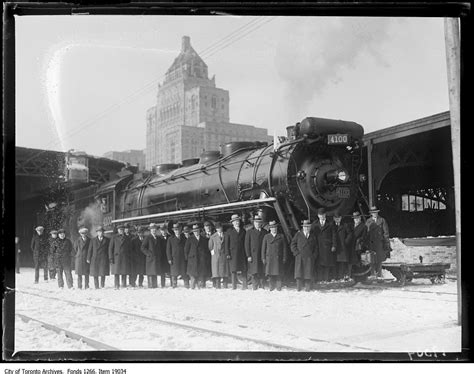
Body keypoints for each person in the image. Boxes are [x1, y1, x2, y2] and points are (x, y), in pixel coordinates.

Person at [291, 220, 318, 291]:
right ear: (303, 227)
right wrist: (296, 253)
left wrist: (313, 256)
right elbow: (293, 244)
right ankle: (299, 288)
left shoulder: (312, 235)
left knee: (308, 273)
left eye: (308, 227)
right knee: (299, 273)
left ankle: (308, 288)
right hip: (300, 257)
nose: (307, 228)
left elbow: (316, 247)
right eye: (305, 227)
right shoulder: (298, 234)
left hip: (309, 258)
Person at [311, 208, 336, 282]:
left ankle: (326, 279)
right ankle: (319, 279)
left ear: (325, 215)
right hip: (318, 246)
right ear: (318, 216)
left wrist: (334, 245)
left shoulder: (331, 223)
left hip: (327, 247)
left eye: (323, 215)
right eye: (320, 215)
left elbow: (334, 235)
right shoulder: (314, 224)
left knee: (327, 264)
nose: (322, 216)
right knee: (319, 264)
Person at [261, 221, 288, 291]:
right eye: (272, 228)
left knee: (279, 273)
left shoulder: (281, 236)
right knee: (270, 273)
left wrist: (284, 257)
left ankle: (279, 286)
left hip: (278, 258)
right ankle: (271, 286)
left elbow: (284, 248)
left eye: (275, 227)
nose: (274, 229)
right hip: (269, 258)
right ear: (270, 229)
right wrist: (263, 258)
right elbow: (263, 248)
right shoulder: (266, 237)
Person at [224, 214, 248, 290]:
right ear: (232, 223)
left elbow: (245, 242)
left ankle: (245, 286)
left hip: (241, 253)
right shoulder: (229, 231)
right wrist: (228, 253)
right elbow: (226, 244)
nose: (237, 223)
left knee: (243, 269)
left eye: (238, 221)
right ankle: (234, 286)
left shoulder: (243, 231)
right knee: (233, 270)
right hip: (233, 254)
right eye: (235, 221)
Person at [366, 206, 390, 278]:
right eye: (373, 213)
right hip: (371, 244)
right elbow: (366, 233)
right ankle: (372, 274)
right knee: (371, 259)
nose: (374, 214)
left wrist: (386, 243)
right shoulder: (368, 221)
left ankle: (379, 275)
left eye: (375, 212)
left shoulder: (382, 220)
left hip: (380, 243)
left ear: (377, 213)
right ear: (371, 214)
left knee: (379, 260)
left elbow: (386, 233)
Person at [245, 215, 268, 290]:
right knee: (254, 271)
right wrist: (248, 255)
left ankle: (262, 285)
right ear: (253, 223)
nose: (257, 224)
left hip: (262, 255)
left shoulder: (265, 232)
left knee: (262, 270)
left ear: (261, 223)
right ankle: (255, 286)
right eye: (256, 222)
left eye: (259, 222)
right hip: (253, 255)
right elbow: (246, 245)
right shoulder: (249, 232)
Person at [108, 224, 132, 289]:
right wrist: (111, 257)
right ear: (118, 230)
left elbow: (130, 248)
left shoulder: (127, 238)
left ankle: (124, 284)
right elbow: (110, 248)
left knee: (124, 271)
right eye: (120, 230)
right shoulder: (114, 237)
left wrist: (129, 256)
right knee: (116, 272)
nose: (121, 231)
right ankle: (116, 285)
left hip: (125, 257)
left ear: (124, 230)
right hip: (116, 257)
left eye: (122, 230)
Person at [184, 224, 208, 289]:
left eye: (197, 231)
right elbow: (186, 249)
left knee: (201, 275)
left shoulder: (203, 239)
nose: (196, 232)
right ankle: (192, 287)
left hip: (201, 259)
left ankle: (201, 286)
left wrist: (205, 257)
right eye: (194, 231)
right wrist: (187, 258)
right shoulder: (190, 239)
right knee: (193, 276)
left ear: (199, 231)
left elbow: (206, 249)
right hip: (192, 260)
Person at [166, 223, 189, 288]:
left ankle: (186, 284)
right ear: (173, 231)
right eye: (175, 230)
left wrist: (186, 257)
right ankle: (174, 284)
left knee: (184, 272)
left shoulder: (184, 238)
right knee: (174, 273)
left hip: (182, 258)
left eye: (178, 229)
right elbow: (168, 250)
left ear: (180, 230)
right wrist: (169, 259)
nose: (177, 231)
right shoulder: (170, 239)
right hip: (174, 258)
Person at [208, 222, 230, 288]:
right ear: (216, 229)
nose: (219, 229)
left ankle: (225, 285)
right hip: (216, 256)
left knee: (225, 271)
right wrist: (213, 254)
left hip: (224, 255)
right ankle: (218, 286)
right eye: (218, 228)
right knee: (216, 272)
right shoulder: (213, 237)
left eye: (220, 228)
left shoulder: (226, 235)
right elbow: (210, 246)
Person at [140, 223, 162, 288]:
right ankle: (150, 285)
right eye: (152, 229)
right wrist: (148, 254)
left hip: (156, 258)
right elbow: (142, 247)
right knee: (150, 272)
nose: (154, 230)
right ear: (150, 230)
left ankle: (154, 285)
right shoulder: (147, 238)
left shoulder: (158, 238)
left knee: (155, 272)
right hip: (150, 258)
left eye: (155, 229)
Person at [348, 211, 367, 276]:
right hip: (350, 245)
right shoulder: (350, 225)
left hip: (358, 246)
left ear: (360, 218)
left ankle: (359, 275)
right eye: (355, 218)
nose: (356, 220)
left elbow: (364, 237)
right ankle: (350, 274)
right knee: (350, 260)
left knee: (357, 260)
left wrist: (359, 240)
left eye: (357, 218)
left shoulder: (363, 226)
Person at [334, 212, 352, 280]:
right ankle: (337, 277)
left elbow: (350, 234)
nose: (337, 220)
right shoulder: (332, 225)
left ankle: (343, 276)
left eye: (338, 218)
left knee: (342, 262)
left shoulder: (345, 225)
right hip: (335, 247)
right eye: (336, 218)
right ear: (334, 218)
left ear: (341, 218)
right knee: (336, 263)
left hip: (342, 247)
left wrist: (345, 242)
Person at [201, 221, 213, 287]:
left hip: (212, 254)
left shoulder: (214, 234)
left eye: (209, 226)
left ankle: (214, 283)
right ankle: (203, 283)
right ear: (204, 227)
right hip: (204, 254)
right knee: (203, 268)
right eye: (206, 226)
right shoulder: (201, 235)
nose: (207, 228)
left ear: (211, 227)